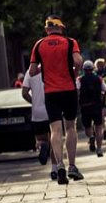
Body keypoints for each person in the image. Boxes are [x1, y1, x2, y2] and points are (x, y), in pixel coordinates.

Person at [29, 15, 84, 185]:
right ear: (61, 28)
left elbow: (32, 71)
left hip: (50, 92)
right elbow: (78, 61)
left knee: (55, 129)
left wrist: (43, 67)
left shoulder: (38, 45)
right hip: (68, 89)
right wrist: (75, 73)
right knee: (70, 126)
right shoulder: (70, 42)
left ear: (47, 29)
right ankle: (72, 166)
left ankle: (59, 164)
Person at [21, 68, 57, 179]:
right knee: (55, 139)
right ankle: (54, 169)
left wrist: (34, 101)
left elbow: (24, 93)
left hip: (37, 113)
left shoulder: (30, 71)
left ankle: (42, 145)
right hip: (52, 110)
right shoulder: (53, 69)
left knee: (41, 139)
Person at [77, 60, 106, 157]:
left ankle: (91, 136)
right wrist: (101, 97)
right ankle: (99, 149)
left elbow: (77, 91)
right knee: (99, 127)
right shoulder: (99, 79)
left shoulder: (79, 79)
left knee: (87, 127)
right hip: (97, 106)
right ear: (93, 68)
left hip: (85, 106)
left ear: (83, 69)